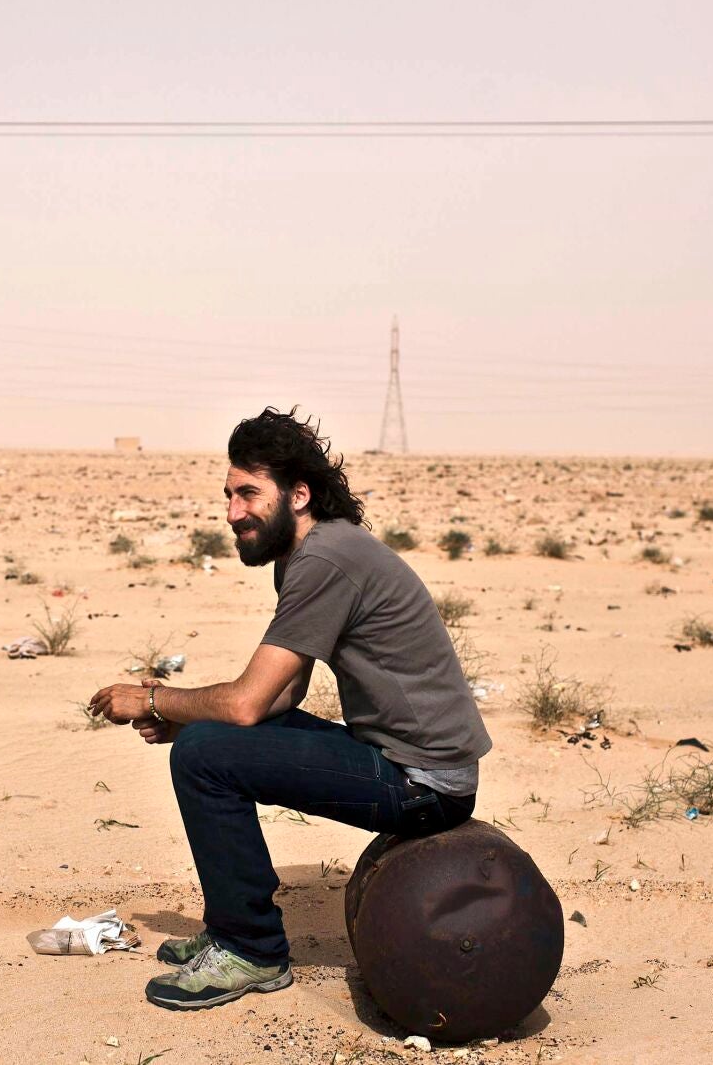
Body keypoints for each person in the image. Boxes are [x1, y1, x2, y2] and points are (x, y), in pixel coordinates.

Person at [89, 407, 490, 1011]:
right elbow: (283, 695)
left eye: (249, 493)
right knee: (205, 743)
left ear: (299, 494)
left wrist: (151, 698)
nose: (232, 512)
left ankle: (250, 948)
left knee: (204, 757)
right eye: (227, 494)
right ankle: (236, 927)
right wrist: (188, 717)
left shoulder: (327, 559)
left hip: (426, 783)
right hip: (405, 762)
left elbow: (251, 702)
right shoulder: (311, 552)